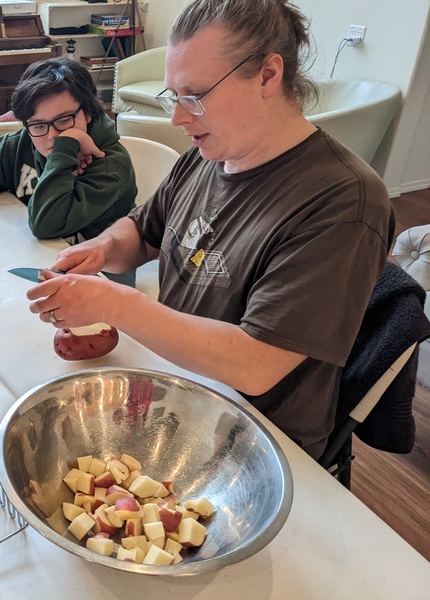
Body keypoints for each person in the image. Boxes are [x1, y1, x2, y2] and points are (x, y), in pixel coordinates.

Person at [24, 0, 395, 460]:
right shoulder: (208, 157)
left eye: (194, 95)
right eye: (173, 96)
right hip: (178, 392)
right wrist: (101, 250)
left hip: (257, 441)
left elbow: (255, 364)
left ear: (267, 75)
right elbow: (142, 233)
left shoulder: (342, 200)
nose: (178, 118)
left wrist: (115, 304)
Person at [0, 57, 137, 246]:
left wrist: (65, 149)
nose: (52, 137)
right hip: (34, 259)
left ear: (89, 112)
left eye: (65, 120)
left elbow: (46, 225)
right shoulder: (21, 143)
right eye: (38, 125)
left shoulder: (110, 164)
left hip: (101, 277)